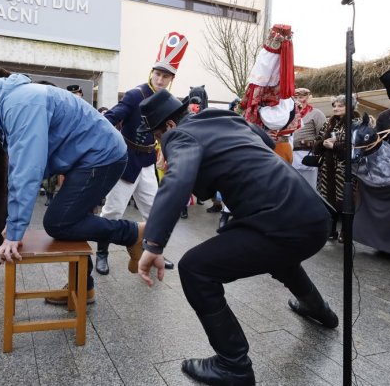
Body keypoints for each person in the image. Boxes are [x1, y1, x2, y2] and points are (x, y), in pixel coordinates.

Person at [136, 90, 338, 386]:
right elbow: (267, 141)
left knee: (195, 269)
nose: (160, 143)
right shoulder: (227, 118)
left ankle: (233, 364)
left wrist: (153, 243)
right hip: (314, 218)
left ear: (167, 127)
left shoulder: (180, 136)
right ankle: (319, 310)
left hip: (281, 224)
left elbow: (178, 181)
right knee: (278, 256)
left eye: (157, 136)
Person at [0, 74, 145, 304]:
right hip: (88, 157)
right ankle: (83, 288)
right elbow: (22, 166)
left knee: (59, 222)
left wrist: (14, 231)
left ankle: (133, 233)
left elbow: (27, 169)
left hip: (102, 157)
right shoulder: (9, 102)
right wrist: (13, 223)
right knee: (70, 221)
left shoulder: (19, 104)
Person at [96, 32, 188, 275]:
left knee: (154, 210)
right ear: (152, 73)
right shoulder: (136, 94)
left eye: (165, 76)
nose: (160, 79)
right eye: (157, 74)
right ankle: (102, 253)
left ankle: (154, 252)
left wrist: (166, 154)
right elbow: (112, 117)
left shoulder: (169, 101)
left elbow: (169, 133)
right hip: (126, 161)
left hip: (148, 162)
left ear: (171, 79)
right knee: (113, 211)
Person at [313, 95, 359, 242]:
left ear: (350, 107)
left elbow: (357, 147)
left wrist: (335, 146)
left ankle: (346, 232)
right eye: (335, 105)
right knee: (328, 200)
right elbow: (317, 142)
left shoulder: (356, 123)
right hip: (327, 168)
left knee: (346, 201)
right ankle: (330, 230)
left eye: (340, 106)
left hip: (345, 169)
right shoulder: (329, 123)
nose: (336, 108)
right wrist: (322, 144)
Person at [291, 88, 326, 190]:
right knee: (294, 186)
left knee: (309, 187)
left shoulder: (316, 113)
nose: (297, 100)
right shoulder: (290, 114)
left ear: (309, 98)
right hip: (291, 154)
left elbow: (323, 134)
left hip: (307, 153)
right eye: (295, 97)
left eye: (301, 97)